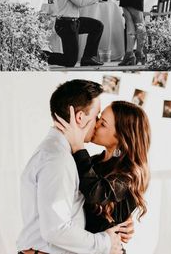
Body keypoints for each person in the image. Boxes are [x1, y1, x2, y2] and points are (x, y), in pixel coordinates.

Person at [17, 79, 133, 254]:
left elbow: (88, 198)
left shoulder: (65, 155)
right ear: (80, 118)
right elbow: (56, 230)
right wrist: (106, 242)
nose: (97, 123)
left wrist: (117, 219)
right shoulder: (58, 160)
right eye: (97, 117)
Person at [55, 99, 151, 254]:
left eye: (103, 123)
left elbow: (96, 193)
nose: (95, 124)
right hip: (86, 247)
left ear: (121, 137)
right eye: (98, 118)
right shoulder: (94, 161)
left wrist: (78, 146)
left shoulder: (130, 173)